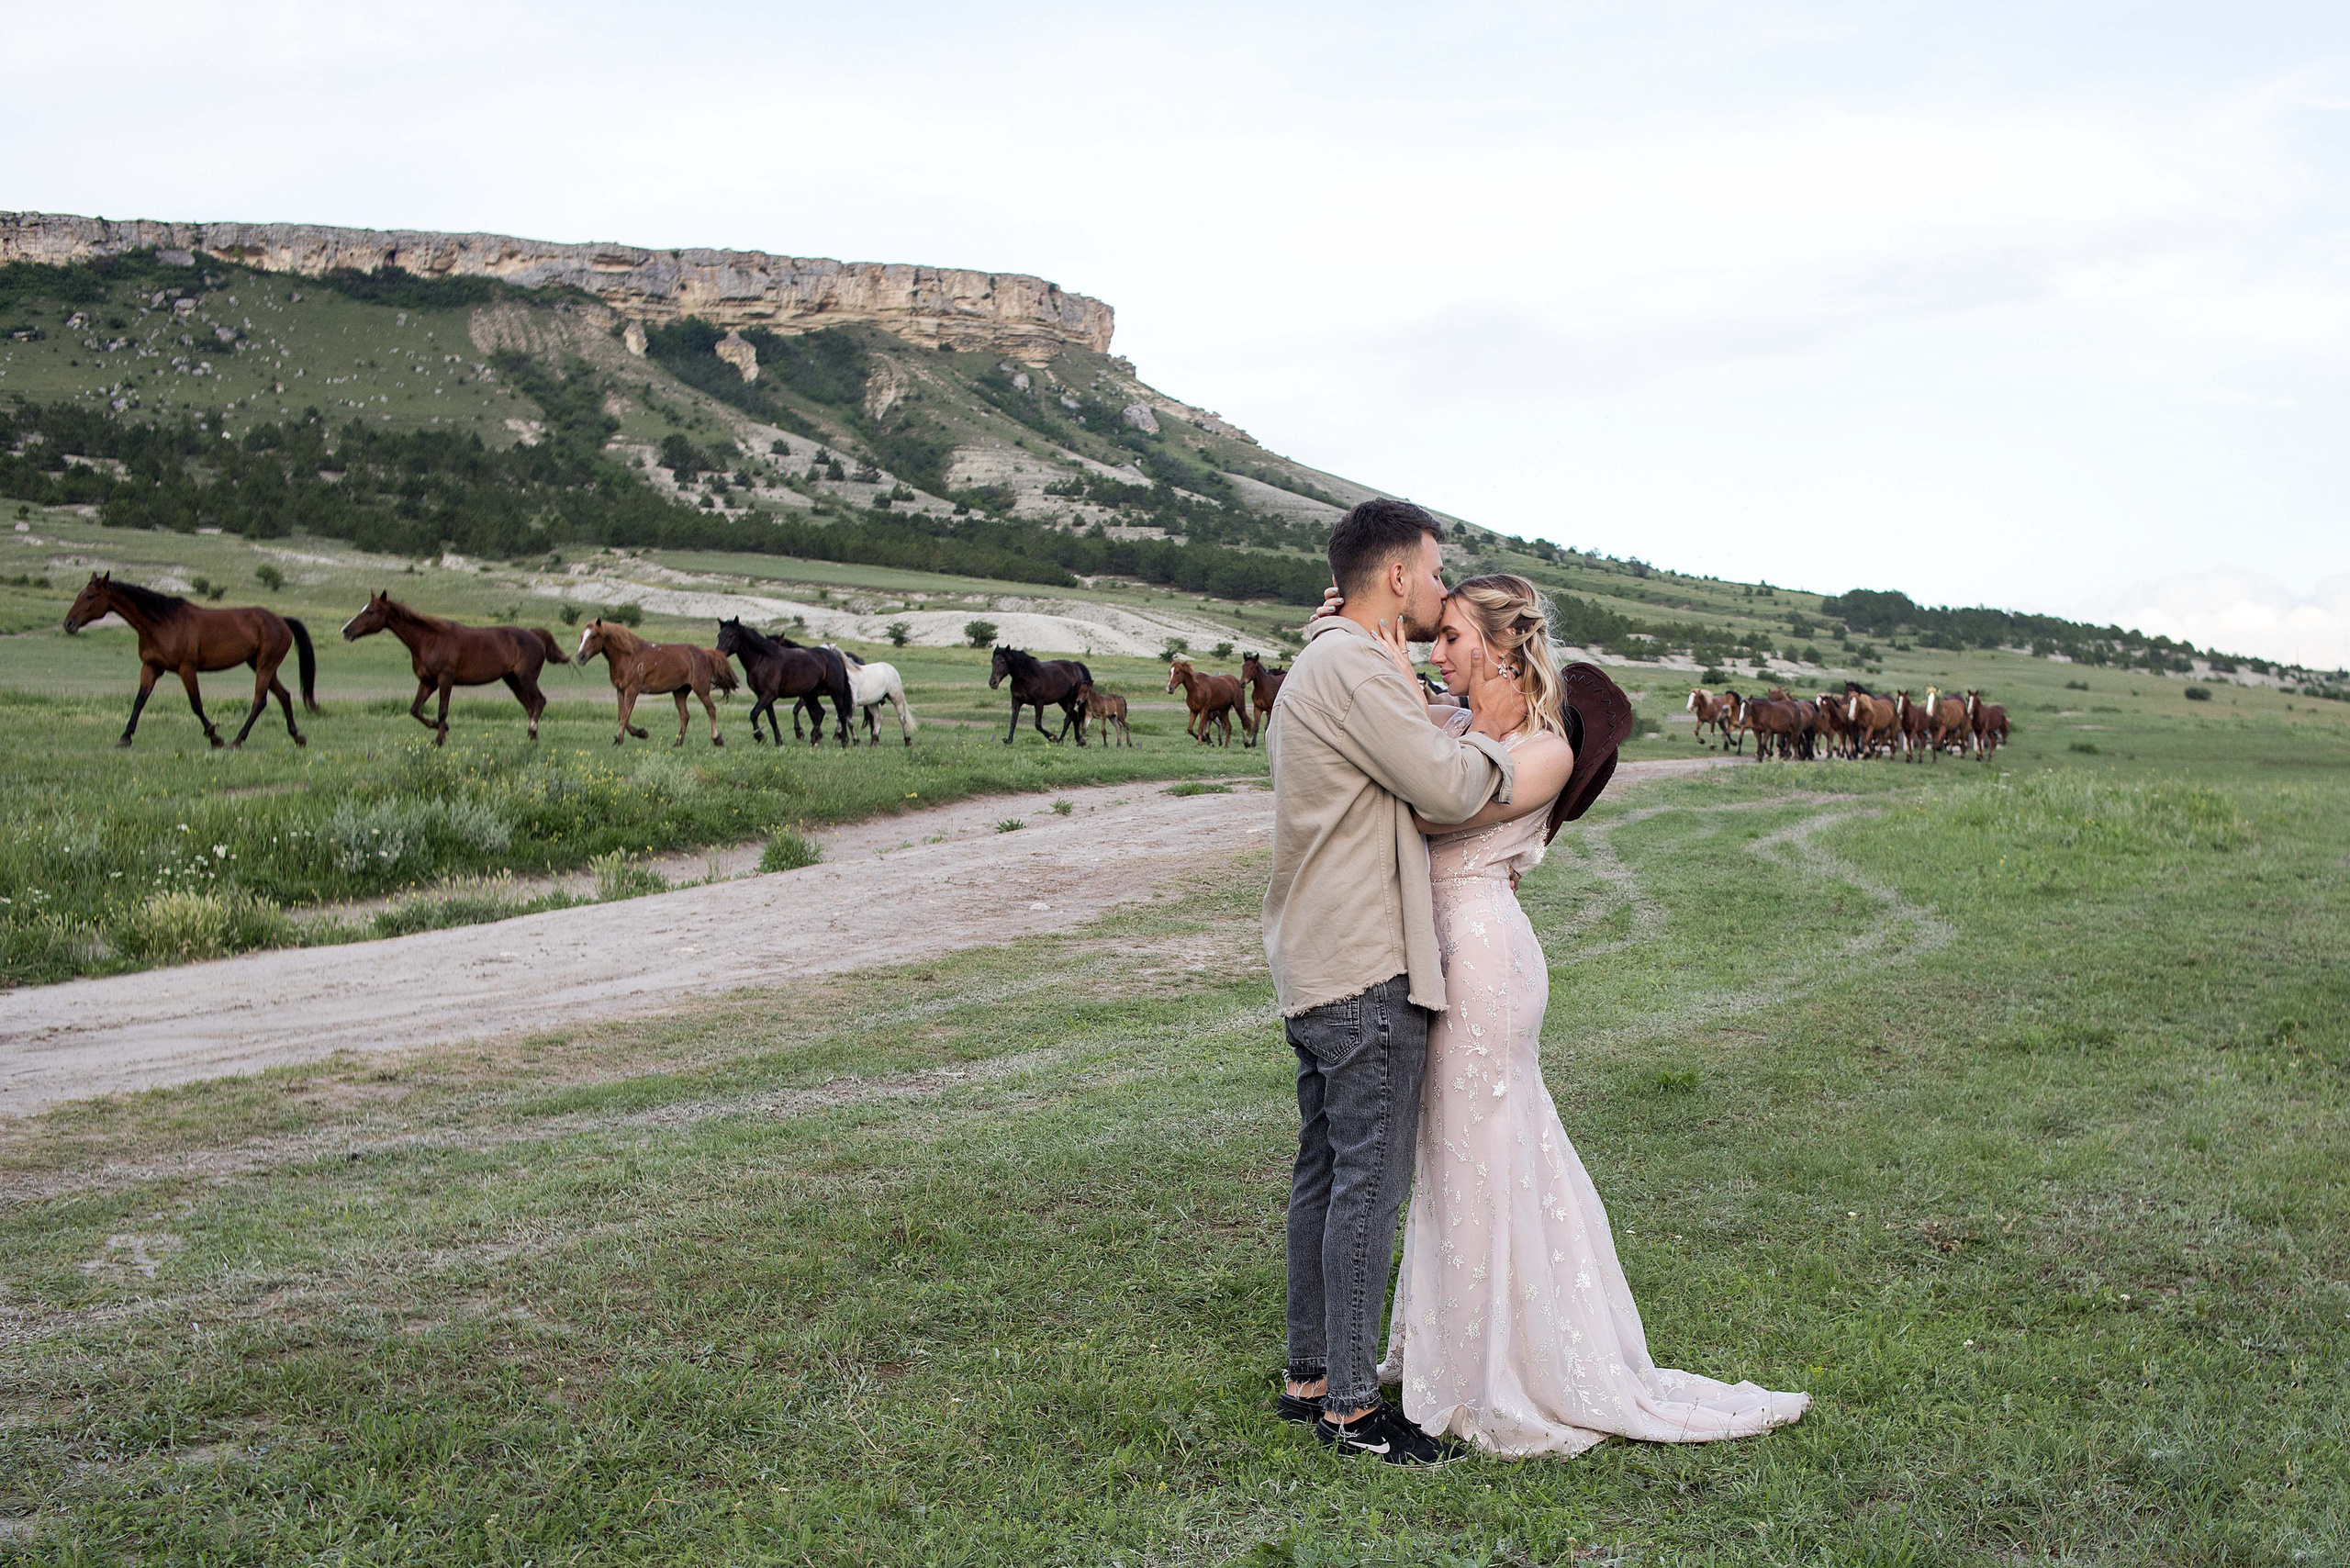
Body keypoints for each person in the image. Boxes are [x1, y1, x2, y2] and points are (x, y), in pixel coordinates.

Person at [1374, 573, 1811, 1457]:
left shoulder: (1545, 750)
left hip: (1488, 960)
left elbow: (1428, 803)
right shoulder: (1453, 725)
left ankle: (1511, 1370)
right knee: (1457, 1155)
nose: (1438, 651)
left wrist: (1391, 685)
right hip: (1439, 953)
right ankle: (1462, 1353)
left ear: (1502, 645)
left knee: (1486, 1153)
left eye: (1453, 636)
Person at [1261, 498, 1528, 1464]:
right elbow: (1450, 787)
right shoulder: (1352, 662)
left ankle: (1310, 1373)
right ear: (1399, 576)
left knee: (1328, 1171)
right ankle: (1351, 1409)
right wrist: (1499, 735)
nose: (1442, 585)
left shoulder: (1335, 657)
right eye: (1435, 567)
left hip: (1316, 954)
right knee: (1366, 1183)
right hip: (1367, 957)